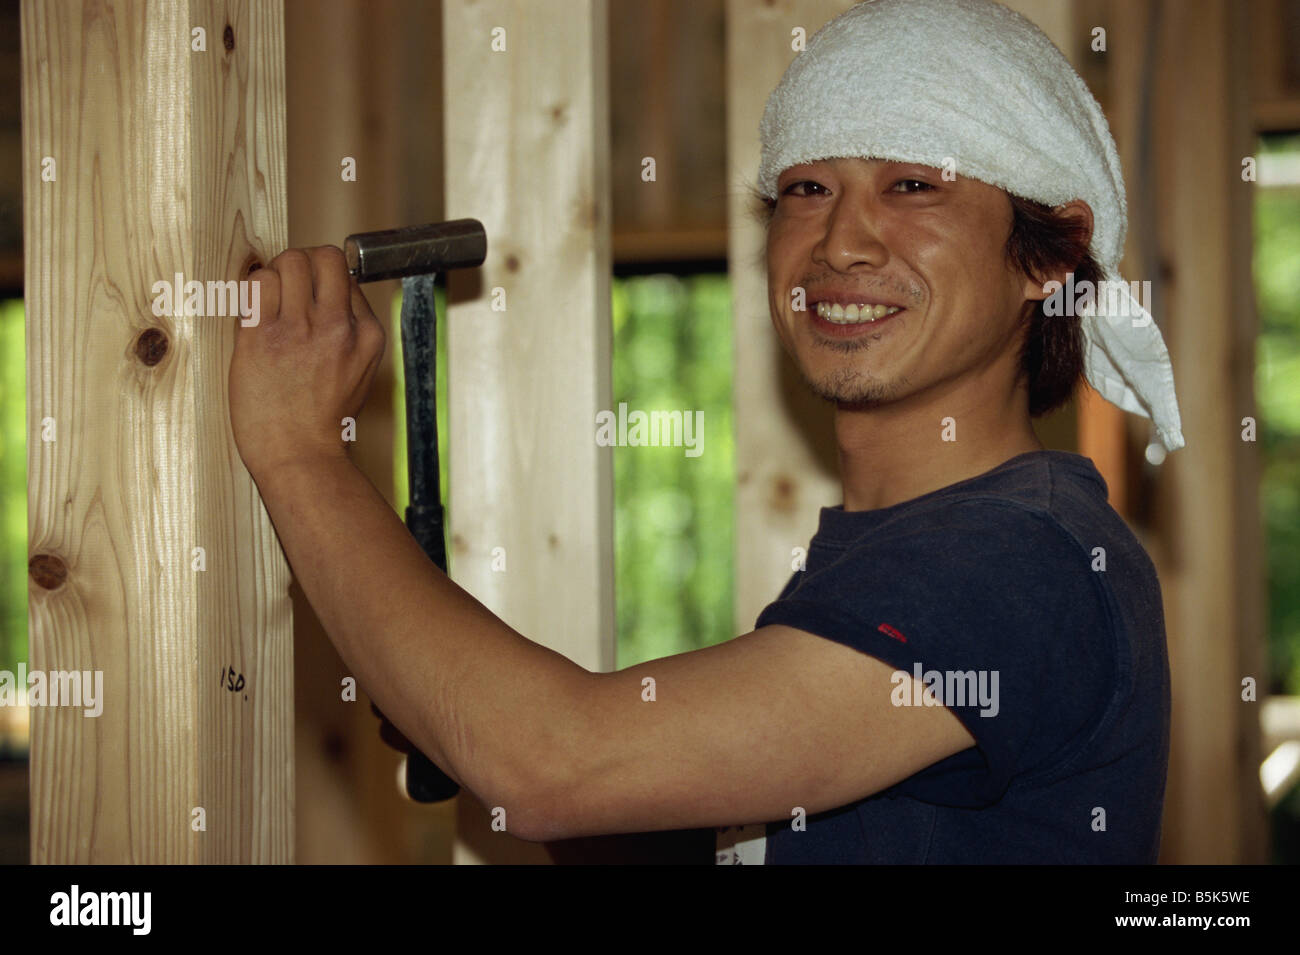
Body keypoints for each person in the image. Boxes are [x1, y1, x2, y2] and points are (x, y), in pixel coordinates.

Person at [228, 0, 1182, 863]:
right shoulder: (885, 560)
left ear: (1049, 258)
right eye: (806, 188)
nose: (841, 241)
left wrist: (299, 451)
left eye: (913, 186)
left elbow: (555, 764)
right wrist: (469, 735)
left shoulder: (1020, 560)